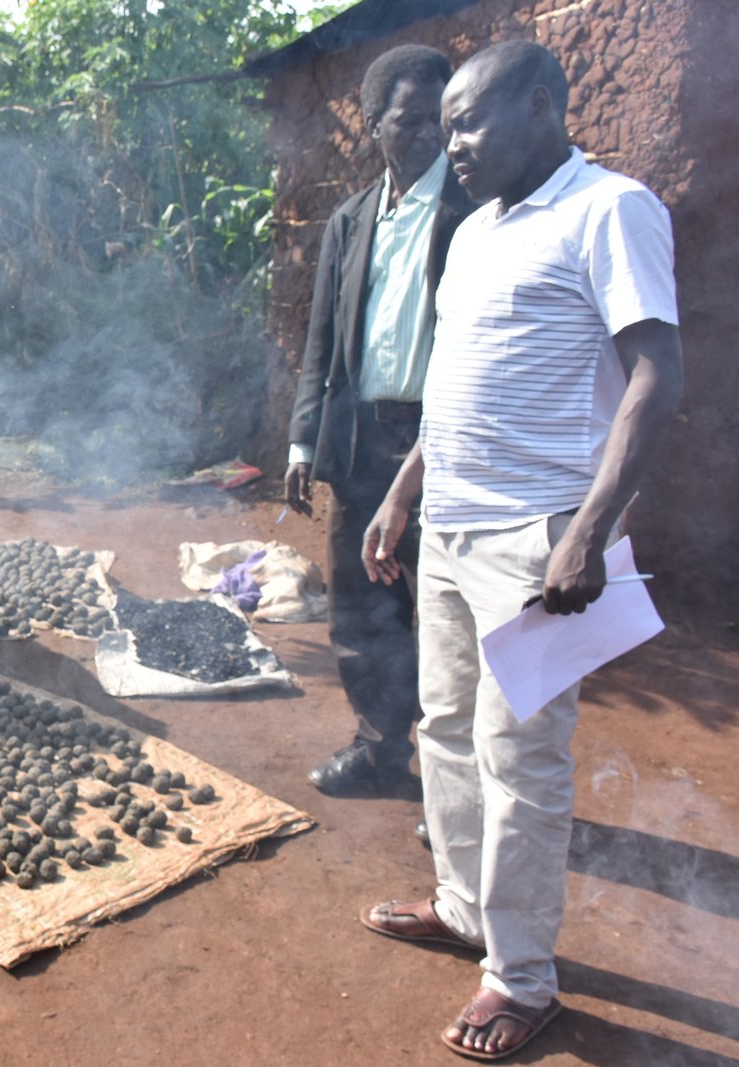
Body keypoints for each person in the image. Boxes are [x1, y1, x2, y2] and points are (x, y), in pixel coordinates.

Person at [358, 41, 682, 1061]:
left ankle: (521, 975)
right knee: (445, 724)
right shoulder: (474, 234)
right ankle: (463, 907)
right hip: (450, 523)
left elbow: (654, 375)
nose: (450, 141)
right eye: (443, 123)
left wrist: (588, 526)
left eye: (468, 120)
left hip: (535, 534)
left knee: (522, 754)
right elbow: (459, 382)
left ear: (543, 107)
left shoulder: (609, 209)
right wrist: (404, 491)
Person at [287, 45, 474, 799]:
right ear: (374, 124)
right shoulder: (350, 220)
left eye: (444, 117)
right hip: (362, 437)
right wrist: (304, 438)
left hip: (443, 441)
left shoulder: (473, 212)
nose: (433, 133)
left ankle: (453, 783)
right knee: (361, 606)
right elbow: (321, 341)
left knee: (441, 610)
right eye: (414, 117)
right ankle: (377, 748)